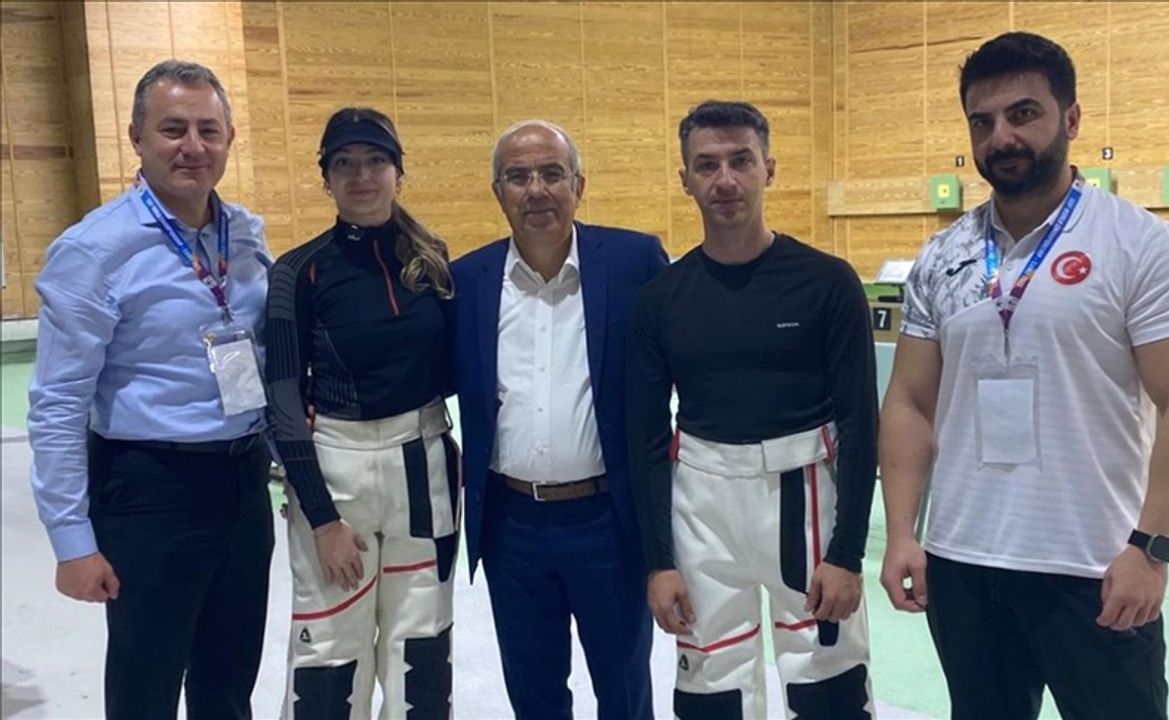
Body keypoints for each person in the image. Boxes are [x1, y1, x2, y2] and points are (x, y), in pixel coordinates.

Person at [879, 32, 1169, 720]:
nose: (1002, 136)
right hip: (963, 563)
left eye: (1023, 114)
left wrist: (1151, 550)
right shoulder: (943, 255)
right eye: (982, 121)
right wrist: (901, 533)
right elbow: (910, 402)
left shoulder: (1139, 243)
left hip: (1096, 567)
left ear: (1072, 118)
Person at [27, 59, 273, 718]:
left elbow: (262, 356)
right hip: (149, 492)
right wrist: (72, 540)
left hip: (244, 484)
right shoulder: (94, 250)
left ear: (229, 139)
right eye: (172, 129)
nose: (193, 146)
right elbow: (57, 405)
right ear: (137, 137)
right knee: (146, 688)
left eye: (208, 130)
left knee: (229, 684)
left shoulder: (245, 235)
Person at [627, 100, 879, 719]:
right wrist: (659, 562)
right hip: (702, 508)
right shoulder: (660, 300)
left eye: (741, 161)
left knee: (827, 686)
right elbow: (647, 439)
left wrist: (847, 554)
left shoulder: (827, 283)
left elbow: (860, 424)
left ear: (769, 168)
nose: (725, 179)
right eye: (707, 165)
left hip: (805, 501)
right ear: (685, 179)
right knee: (710, 690)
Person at [450, 119, 666, 720]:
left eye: (552, 173)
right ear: (498, 192)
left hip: (608, 522)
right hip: (511, 526)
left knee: (625, 694)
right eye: (518, 176)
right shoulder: (468, 281)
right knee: (534, 696)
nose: (536, 190)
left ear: (579, 185)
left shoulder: (633, 262)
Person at [264, 107, 459, 719]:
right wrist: (322, 519)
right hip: (335, 473)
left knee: (421, 650)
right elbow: (282, 400)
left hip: (423, 465)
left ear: (399, 171)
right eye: (344, 163)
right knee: (329, 653)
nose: (362, 175)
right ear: (326, 178)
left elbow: (456, 369)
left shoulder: (432, 261)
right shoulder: (298, 271)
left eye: (376, 160)